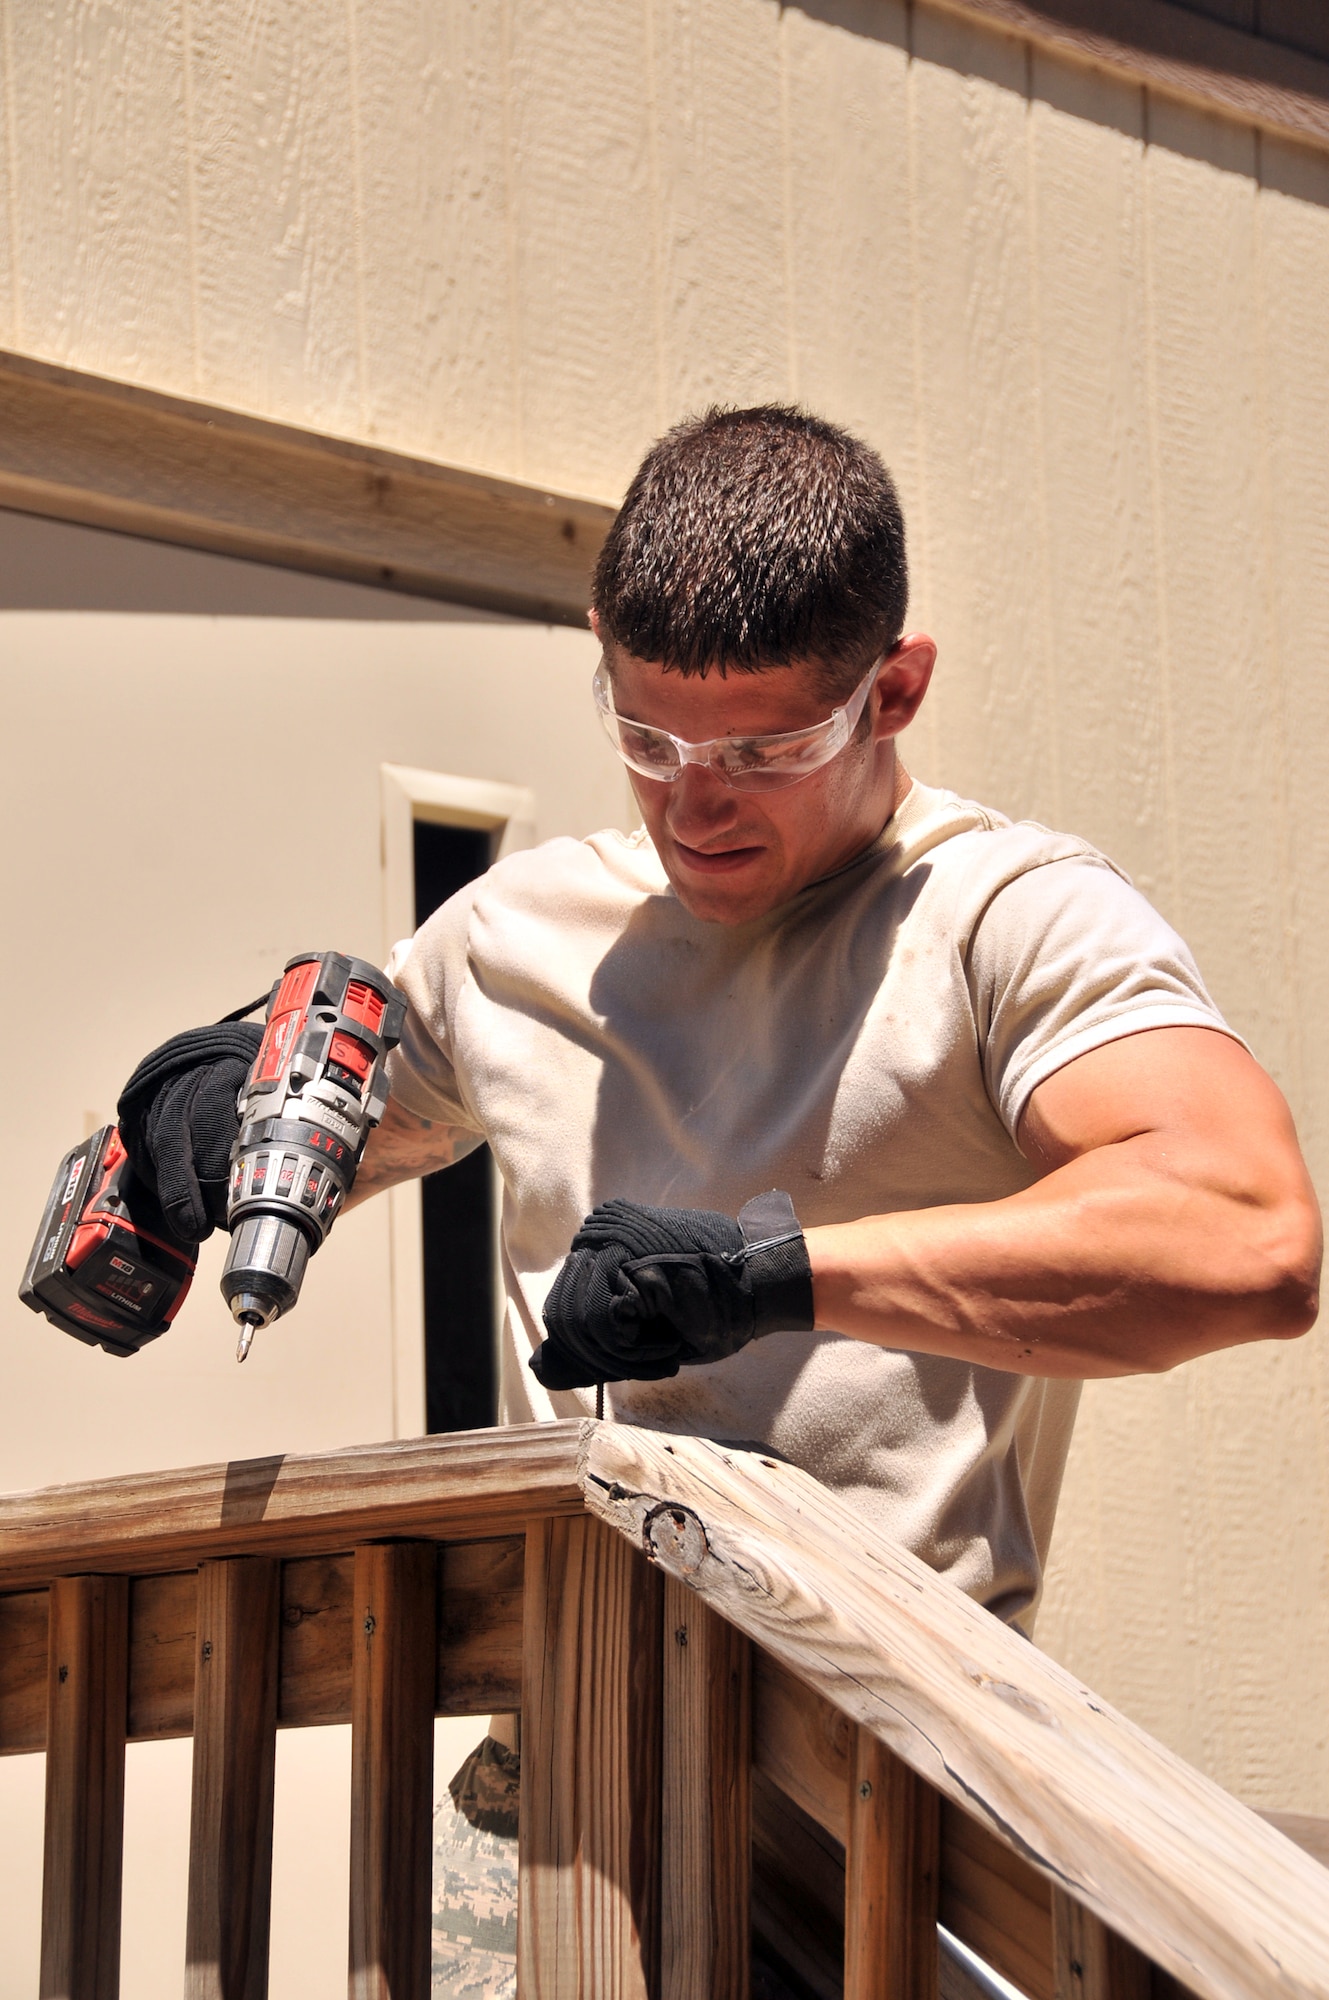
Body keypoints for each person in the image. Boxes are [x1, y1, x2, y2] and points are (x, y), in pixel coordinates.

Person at [119, 405, 1320, 1640]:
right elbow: (309, 1110)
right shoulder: (512, 935)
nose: (694, 804)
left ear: (894, 689)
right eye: (647, 735)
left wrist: (778, 1277)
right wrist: (186, 1129)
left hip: (879, 1740)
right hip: (560, 1730)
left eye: (764, 747)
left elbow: (1247, 1237)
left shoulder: (1002, 915)